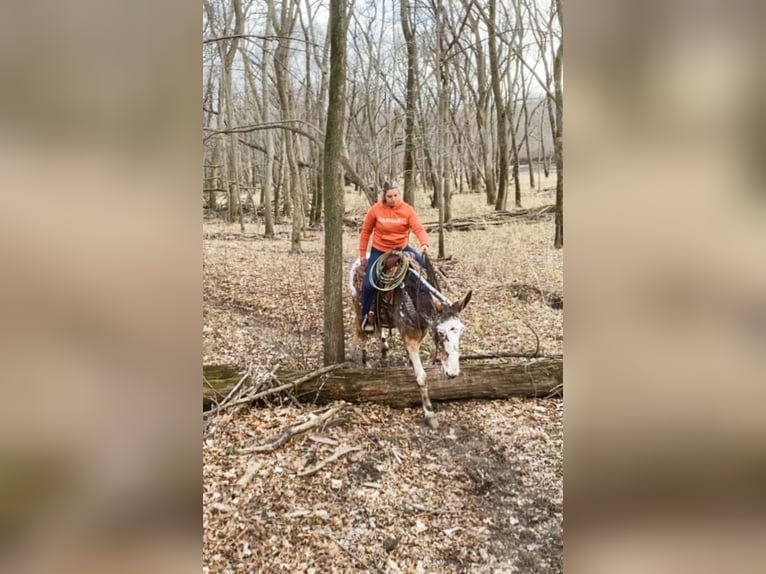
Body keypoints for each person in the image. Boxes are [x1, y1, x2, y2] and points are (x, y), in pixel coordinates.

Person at [358, 181, 430, 332]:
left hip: (402, 248)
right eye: (389, 196)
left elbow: (418, 228)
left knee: (425, 272)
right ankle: (366, 317)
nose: (394, 199)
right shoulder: (375, 210)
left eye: (396, 195)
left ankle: (429, 309)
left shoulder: (407, 210)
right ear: (384, 197)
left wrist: (424, 243)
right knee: (368, 285)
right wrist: (363, 254)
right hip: (380, 250)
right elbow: (365, 232)